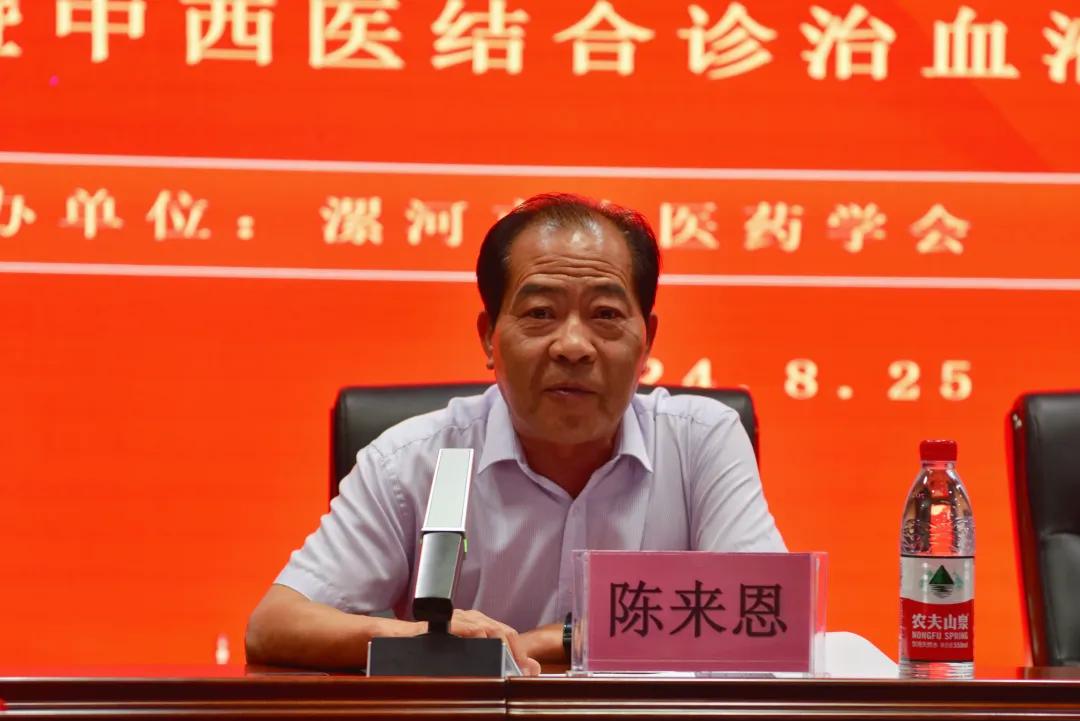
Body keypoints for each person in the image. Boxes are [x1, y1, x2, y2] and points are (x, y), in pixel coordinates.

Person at [245, 193, 785, 674]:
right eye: (540, 312)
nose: (573, 346)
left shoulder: (700, 442)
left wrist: (559, 640)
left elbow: (768, 618)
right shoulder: (412, 459)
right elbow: (274, 625)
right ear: (489, 337)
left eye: (605, 314)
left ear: (647, 342)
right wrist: (422, 638)